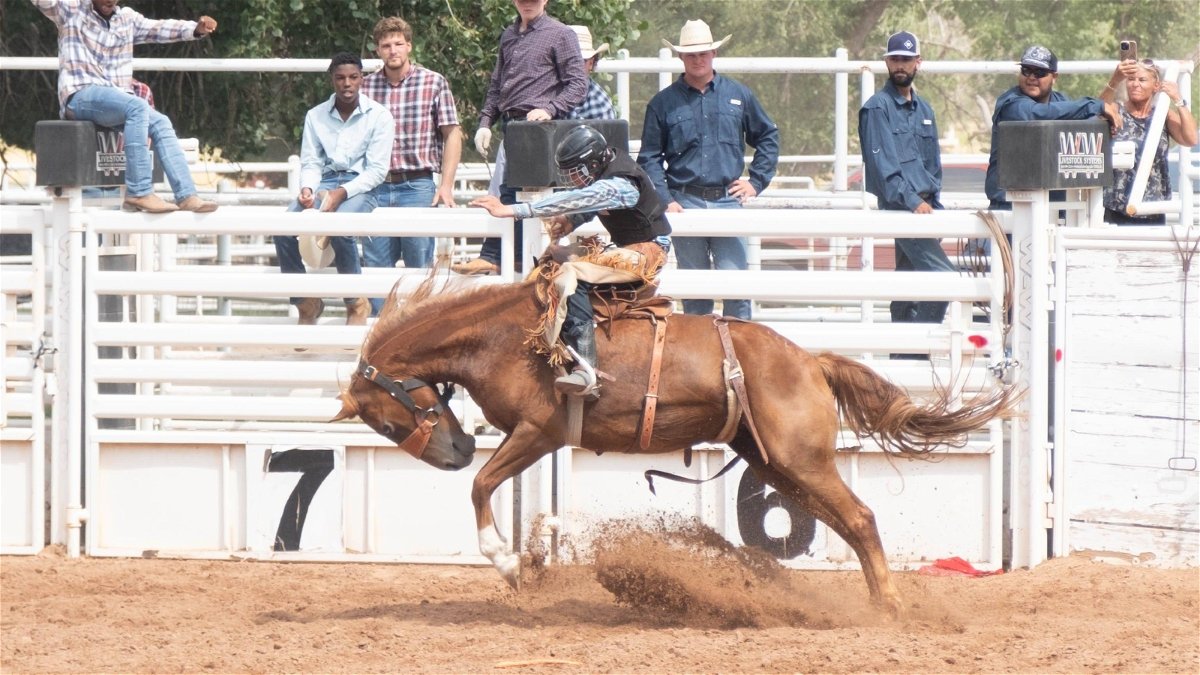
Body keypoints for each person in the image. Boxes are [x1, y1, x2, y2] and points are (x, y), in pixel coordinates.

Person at [470, 125, 671, 397]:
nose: (573, 178)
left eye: (577, 171)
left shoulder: (620, 182)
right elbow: (592, 204)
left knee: (570, 274)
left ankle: (587, 369)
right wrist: (571, 221)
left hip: (645, 253)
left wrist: (514, 210)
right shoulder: (609, 170)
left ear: (593, 163)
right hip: (633, 249)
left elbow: (585, 197)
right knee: (551, 262)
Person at [637, 19, 779, 321]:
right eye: (691, 54)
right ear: (681, 58)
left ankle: (739, 360)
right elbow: (649, 157)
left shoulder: (738, 95)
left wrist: (756, 182)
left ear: (713, 54)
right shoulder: (662, 104)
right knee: (695, 291)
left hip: (728, 199)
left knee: (736, 287)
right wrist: (665, 200)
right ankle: (701, 363)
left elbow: (767, 135)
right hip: (684, 203)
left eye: (703, 53)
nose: (698, 59)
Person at [32, 0, 219, 214]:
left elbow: (158, 28)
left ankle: (186, 195)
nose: (109, 1)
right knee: (138, 107)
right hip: (80, 95)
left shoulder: (127, 19)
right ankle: (139, 192)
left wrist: (195, 28)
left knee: (160, 122)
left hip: (116, 101)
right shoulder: (70, 9)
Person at [453, 0, 587, 276]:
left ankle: (502, 257)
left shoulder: (561, 34)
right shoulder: (509, 34)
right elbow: (498, 84)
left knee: (521, 193)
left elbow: (578, 84)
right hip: (512, 125)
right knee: (510, 190)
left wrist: (549, 108)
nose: (528, 4)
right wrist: (485, 122)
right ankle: (508, 258)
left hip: (540, 128)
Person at [274, 52, 393, 327]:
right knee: (282, 229)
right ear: (332, 80)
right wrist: (307, 189)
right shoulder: (315, 115)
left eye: (353, 77)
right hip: (324, 183)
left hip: (361, 186)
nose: (347, 83)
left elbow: (377, 171)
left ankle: (355, 303)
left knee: (341, 229)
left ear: (362, 78)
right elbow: (312, 161)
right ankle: (305, 301)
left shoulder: (379, 116)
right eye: (340, 78)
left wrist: (342, 193)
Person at [858, 30, 957, 340]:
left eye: (906, 59)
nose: (900, 65)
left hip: (925, 210)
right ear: (887, 63)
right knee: (944, 279)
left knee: (910, 283)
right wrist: (914, 201)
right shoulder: (877, 108)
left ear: (918, 62)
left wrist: (933, 204)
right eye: (895, 59)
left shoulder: (924, 110)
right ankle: (918, 342)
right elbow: (882, 168)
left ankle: (903, 355)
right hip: (905, 208)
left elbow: (933, 164)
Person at [360, 16, 463, 314]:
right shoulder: (365, 89)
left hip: (416, 184)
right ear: (378, 50)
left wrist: (445, 185)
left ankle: (417, 338)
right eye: (385, 45)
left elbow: (452, 133)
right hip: (376, 186)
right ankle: (381, 336)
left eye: (398, 44)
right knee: (377, 264)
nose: (392, 50)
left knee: (420, 266)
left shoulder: (433, 82)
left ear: (409, 46)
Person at [985, 45, 1122, 210]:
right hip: (1011, 205)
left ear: (1054, 77)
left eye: (1040, 73)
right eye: (1026, 70)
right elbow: (1039, 114)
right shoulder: (1010, 103)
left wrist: (1105, 126)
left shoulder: (1061, 101)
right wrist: (1096, 106)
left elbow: (1083, 121)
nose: (1031, 77)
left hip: (1055, 207)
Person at [1098, 57, 1196, 225]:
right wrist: (1115, 79)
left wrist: (1178, 99)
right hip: (1116, 206)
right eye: (1131, 79)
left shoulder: (1163, 115)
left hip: (1153, 207)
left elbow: (1190, 139)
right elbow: (1097, 109)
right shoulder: (1116, 110)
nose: (1135, 84)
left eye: (1142, 80)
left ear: (1156, 86)